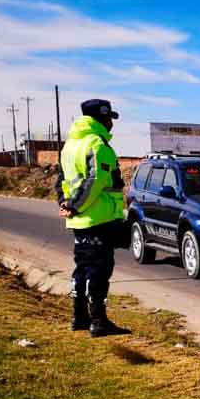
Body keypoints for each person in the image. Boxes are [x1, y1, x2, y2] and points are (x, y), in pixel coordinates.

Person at [56, 99, 130, 337]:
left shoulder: (69, 146)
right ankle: (98, 322)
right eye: (109, 119)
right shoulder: (97, 144)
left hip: (80, 221)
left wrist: (66, 203)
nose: (111, 124)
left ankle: (79, 318)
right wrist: (76, 205)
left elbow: (62, 181)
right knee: (99, 271)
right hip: (98, 218)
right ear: (102, 118)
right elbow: (95, 181)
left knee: (82, 269)